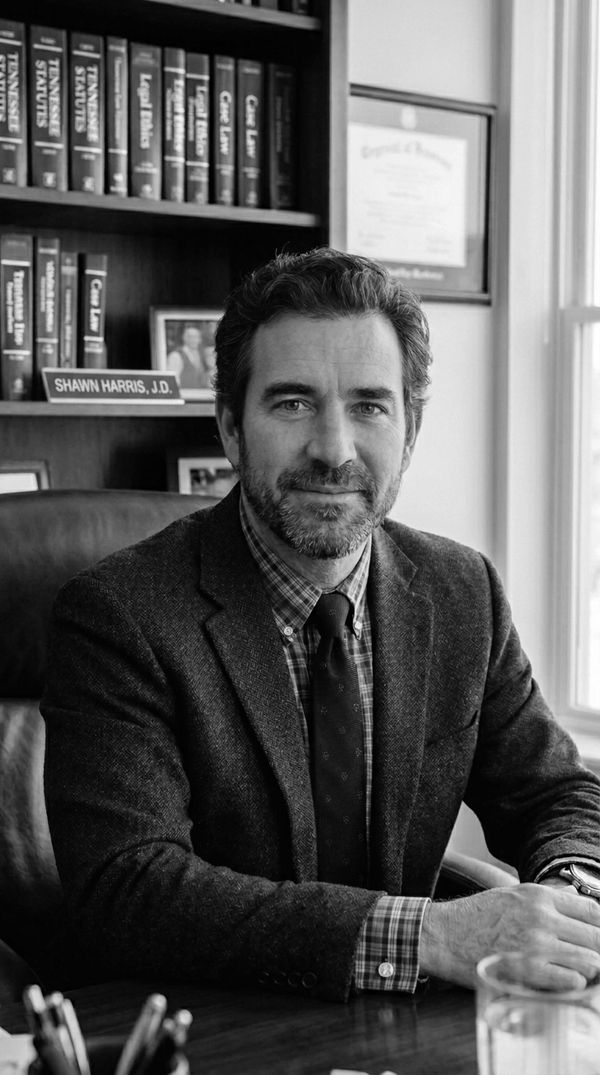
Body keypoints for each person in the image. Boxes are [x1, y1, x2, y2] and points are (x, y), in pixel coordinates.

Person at [42, 248, 600, 1003]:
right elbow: (130, 889)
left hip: (402, 1035)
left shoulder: (463, 590)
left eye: (369, 404)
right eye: (292, 403)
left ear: (410, 429)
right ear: (231, 427)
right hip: (205, 1032)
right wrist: (428, 935)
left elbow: (558, 793)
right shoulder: (120, 614)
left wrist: (569, 898)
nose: (333, 450)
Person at [166, 322, 215, 391]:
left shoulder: (202, 355)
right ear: (184, 338)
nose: (193, 340)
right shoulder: (176, 355)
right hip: (185, 396)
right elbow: (172, 381)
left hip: (200, 396)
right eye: (190, 337)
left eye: (196, 337)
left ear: (199, 340)